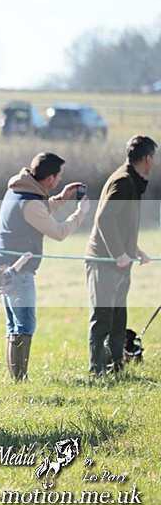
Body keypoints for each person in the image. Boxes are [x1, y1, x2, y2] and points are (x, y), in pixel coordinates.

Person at [0, 152, 90, 381]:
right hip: (19, 270)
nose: (60, 181)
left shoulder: (18, 190)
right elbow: (59, 232)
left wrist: (62, 198)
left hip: (3, 267)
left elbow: (38, 212)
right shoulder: (31, 202)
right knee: (25, 324)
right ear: (50, 179)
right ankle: (20, 379)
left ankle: (16, 378)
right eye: (59, 177)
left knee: (14, 325)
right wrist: (80, 214)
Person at [85, 135, 155, 375]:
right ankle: (97, 371)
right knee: (103, 319)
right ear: (147, 158)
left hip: (119, 262)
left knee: (118, 321)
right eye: (153, 158)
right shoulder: (124, 181)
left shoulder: (131, 180)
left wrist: (133, 249)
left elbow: (119, 221)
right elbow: (105, 218)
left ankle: (116, 368)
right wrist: (118, 253)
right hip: (105, 261)